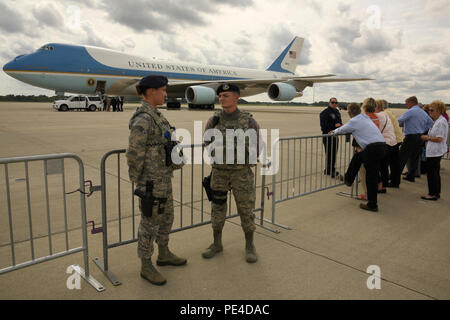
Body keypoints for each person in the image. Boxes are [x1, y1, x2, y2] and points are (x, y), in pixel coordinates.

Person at [126, 75, 186, 286]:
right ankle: (145, 264)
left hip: (163, 177)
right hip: (150, 181)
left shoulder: (156, 115)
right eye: (163, 90)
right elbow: (134, 152)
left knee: (167, 217)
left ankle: (164, 253)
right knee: (149, 223)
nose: (166, 93)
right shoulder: (143, 118)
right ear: (151, 91)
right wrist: (139, 182)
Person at [202, 83, 261, 263]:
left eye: (226, 95)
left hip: (241, 174)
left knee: (246, 209)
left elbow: (257, 145)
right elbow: (206, 140)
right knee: (217, 208)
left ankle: (250, 245)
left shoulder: (248, 120)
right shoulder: (214, 120)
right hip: (219, 173)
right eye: (220, 96)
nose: (221, 99)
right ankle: (217, 243)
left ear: (236, 97)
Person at [331, 100, 386, 212]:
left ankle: (372, 204)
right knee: (359, 157)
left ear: (349, 113)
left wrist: (334, 132)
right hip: (381, 146)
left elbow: (342, 129)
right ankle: (349, 178)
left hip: (373, 149)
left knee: (371, 177)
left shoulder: (354, 121)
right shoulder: (364, 117)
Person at [397, 96, 434, 183]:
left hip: (410, 137)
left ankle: (395, 178)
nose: (406, 105)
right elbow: (431, 122)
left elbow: (399, 120)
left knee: (402, 157)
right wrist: (423, 129)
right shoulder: (422, 112)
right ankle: (411, 176)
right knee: (414, 157)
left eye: (407, 103)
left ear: (412, 102)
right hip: (420, 136)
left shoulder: (411, 111)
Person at [420, 100, 448, 200]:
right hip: (435, 151)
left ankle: (432, 193)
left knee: (432, 173)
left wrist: (427, 138)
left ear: (439, 110)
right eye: (429, 110)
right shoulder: (438, 121)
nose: (430, 112)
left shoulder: (440, 122)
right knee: (434, 173)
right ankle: (436, 192)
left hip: (435, 151)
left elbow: (439, 138)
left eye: (432, 110)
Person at [375, 100, 396, 193]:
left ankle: (379, 186)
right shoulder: (386, 114)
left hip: (384, 143)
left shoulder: (379, 115)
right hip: (391, 142)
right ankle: (383, 186)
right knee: (384, 167)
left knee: (377, 165)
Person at [382, 100, 404, 187]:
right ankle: (395, 181)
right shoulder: (389, 112)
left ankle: (386, 182)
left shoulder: (385, 113)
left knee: (386, 163)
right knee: (394, 163)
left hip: (392, 140)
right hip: (397, 139)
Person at [320, 97, 343, 177]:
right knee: (330, 154)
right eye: (333, 102)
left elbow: (340, 122)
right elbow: (323, 126)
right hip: (328, 136)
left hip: (335, 136)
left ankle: (329, 169)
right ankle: (330, 170)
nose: (334, 104)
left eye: (336, 103)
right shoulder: (324, 113)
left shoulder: (337, 112)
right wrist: (334, 126)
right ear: (329, 103)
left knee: (334, 154)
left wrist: (339, 126)